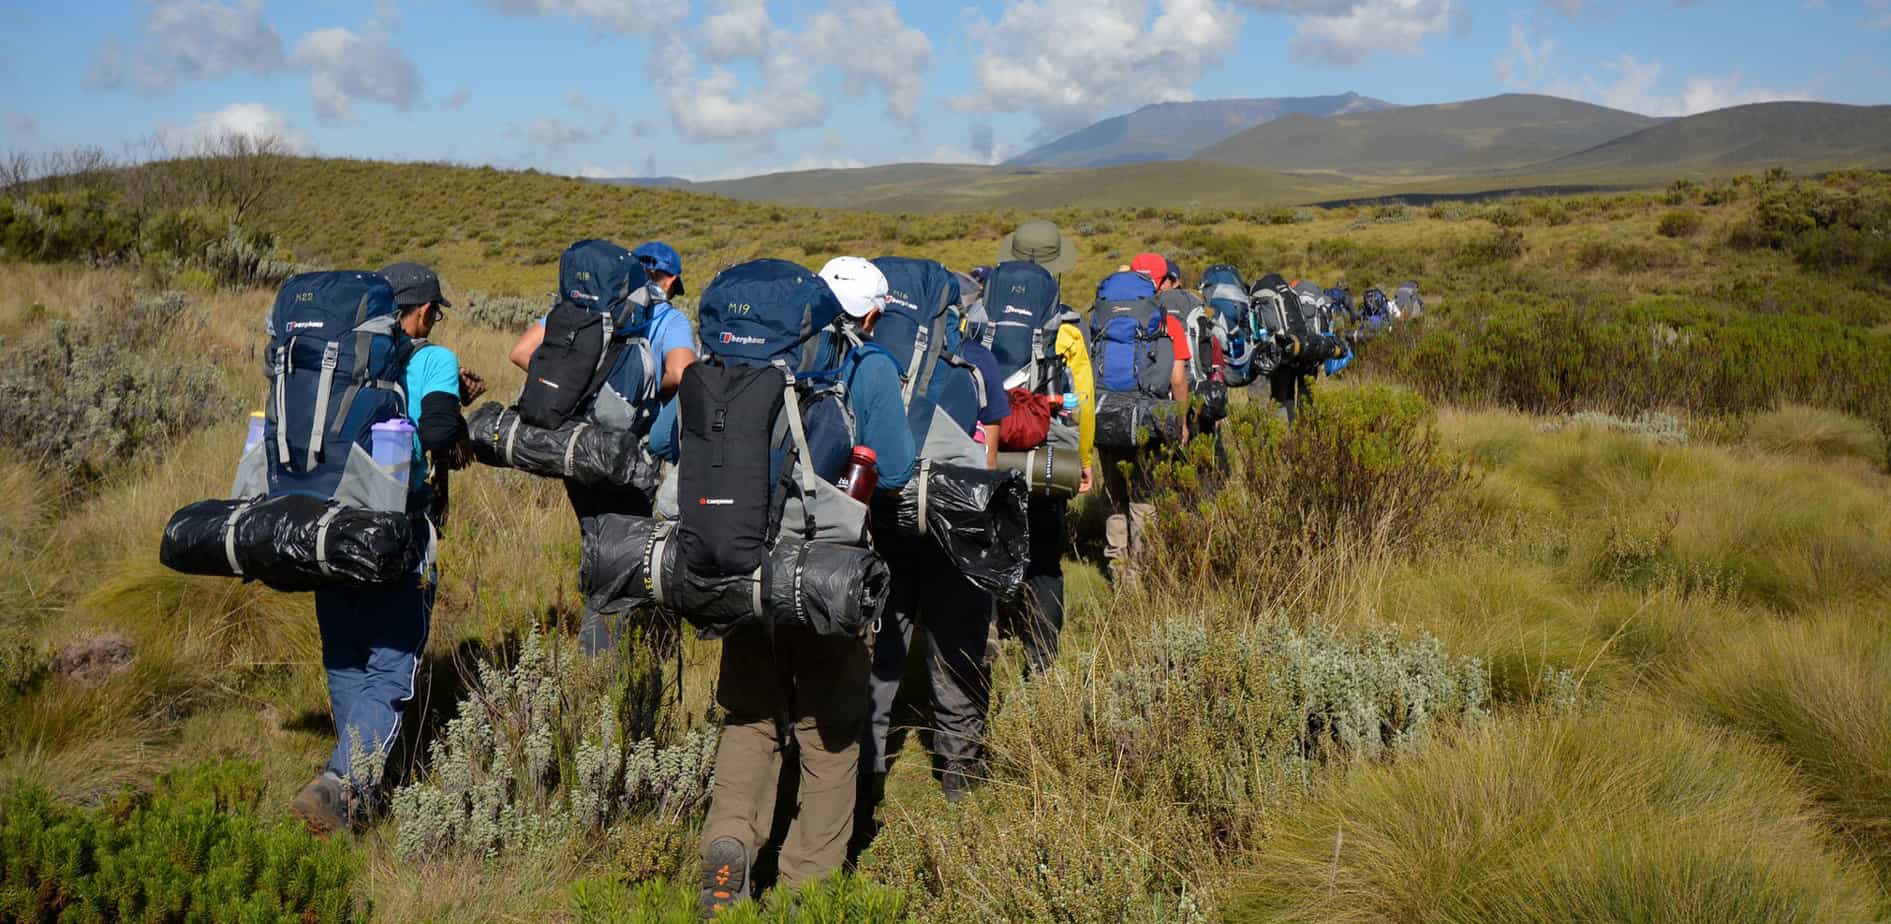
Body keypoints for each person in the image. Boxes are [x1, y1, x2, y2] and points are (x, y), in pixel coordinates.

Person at [699, 256, 915, 914]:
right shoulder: (865, 365)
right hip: (824, 577)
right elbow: (897, 467)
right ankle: (806, 889)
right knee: (831, 731)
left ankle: (730, 844)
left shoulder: (730, 367)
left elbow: (663, 439)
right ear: (869, 313)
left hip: (735, 569)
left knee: (749, 718)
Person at [292, 262, 475, 835]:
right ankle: (342, 785)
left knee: (347, 655)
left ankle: (354, 788)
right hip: (395, 530)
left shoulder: (331, 355)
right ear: (422, 310)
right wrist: (456, 414)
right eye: (435, 312)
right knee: (392, 668)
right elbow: (440, 433)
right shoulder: (431, 358)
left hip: (322, 524)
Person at [506, 241, 696, 657]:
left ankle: (602, 637)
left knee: (594, 534)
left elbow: (521, 352)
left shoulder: (585, 309)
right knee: (626, 551)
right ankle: (601, 659)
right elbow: (682, 373)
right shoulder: (669, 318)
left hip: (575, 447)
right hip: (631, 454)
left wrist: (577, 395)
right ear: (672, 280)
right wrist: (646, 396)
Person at [992, 220, 1094, 678]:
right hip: (1045, 458)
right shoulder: (1067, 327)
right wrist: (1083, 461)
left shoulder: (976, 315)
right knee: (1046, 558)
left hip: (987, 454)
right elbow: (1083, 402)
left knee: (986, 548)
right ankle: (1042, 662)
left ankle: (983, 641)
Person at [1095, 254, 1190, 588]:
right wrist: (1180, 420)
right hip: (1148, 419)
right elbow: (1177, 378)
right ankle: (1140, 572)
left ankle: (1117, 572)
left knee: (1115, 496)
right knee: (1144, 496)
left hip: (1106, 417)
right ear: (1159, 283)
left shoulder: (1101, 318)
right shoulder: (1166, 322)